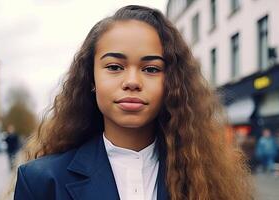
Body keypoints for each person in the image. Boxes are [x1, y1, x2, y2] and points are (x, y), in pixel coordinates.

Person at [13, 5, 252, 200]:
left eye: (151, 69)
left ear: (172, 82)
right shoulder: (41, 181)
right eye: (114, 67)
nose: (132, 82)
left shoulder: (211, 179)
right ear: (91, 78)